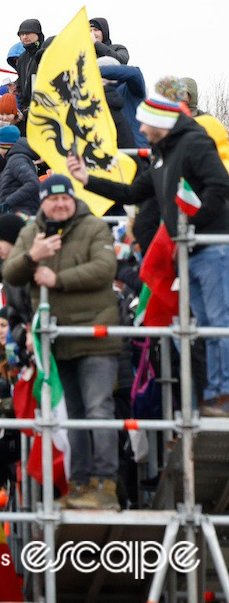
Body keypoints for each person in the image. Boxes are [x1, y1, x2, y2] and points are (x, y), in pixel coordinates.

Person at [72, 94, 229, 417]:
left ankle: (222, 392)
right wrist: (87, 180)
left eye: (145, 121)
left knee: (218, 323)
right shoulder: (161, 155)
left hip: (212, 247)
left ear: (160, 123)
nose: (140, 127)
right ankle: (215, 394)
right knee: (203, 327)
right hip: (188, 252)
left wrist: (193, 224)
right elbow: (132, 193)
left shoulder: (196, 144)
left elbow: (219, 185)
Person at [0, 175, 123, 508]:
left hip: (95, 336)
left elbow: (105, 267)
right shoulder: (31, 232)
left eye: (65, 198)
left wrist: (58, 279)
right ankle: (81, 486)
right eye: (52, 199)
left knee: (98, 409)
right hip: (57, 340)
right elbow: (10, 272)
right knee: (74, 416)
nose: (60, 204)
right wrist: (32, 257)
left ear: (73, 198)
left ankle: (106, 485)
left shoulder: (94, 227)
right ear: (42, 202)